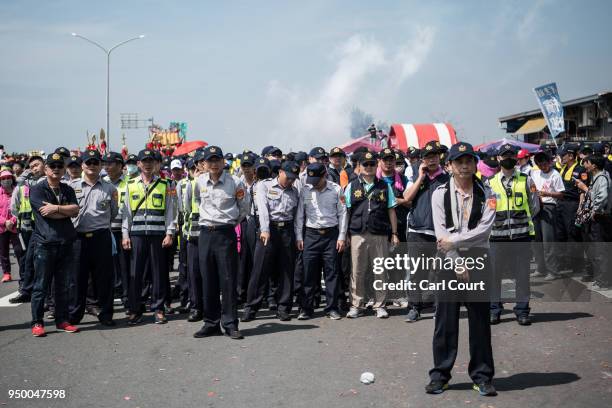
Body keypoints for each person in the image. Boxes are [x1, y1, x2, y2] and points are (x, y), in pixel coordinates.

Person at [427, 142, 496, 396]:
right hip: (448, 261)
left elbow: (483, 231)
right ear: (450, 166)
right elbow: (440, 231)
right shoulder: (438, 193)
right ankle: (440, 375)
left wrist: (454, 242)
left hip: (478, 259)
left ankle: (482, 375)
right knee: (445, 322)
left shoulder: (489, 194)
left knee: (479, 321)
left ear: (476, 164)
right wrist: (456, 260)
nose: (464, 165)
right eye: (459, 161)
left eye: (469, 160)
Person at [192, 146, 250, 340]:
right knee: (208, 279)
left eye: (217, 160)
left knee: (228, 280)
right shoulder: (199, 182)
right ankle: (211, 323)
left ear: (223, 162)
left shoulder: (235, 182)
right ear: (204, 163)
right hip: (206, 234)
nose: (214, 164)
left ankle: (230, 323)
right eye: (210, 160)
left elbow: (244, 208)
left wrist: (230, 223)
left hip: (225, 234)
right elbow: (193, 203)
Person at [121, 149, 176, 325]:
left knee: (159, 272)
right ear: (138, 164)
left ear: (155, 164)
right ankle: (135, 309)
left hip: (157, 235)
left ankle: (158, 309)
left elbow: (170, 211)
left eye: (150, 161)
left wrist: (170, 233)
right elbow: (126, 213)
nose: (147, 164)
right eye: (144, 161)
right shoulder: (130, 185)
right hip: (136, 235)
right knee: (135, 273)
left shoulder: (165, 184)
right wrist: (125, 234)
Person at [29, 152, 80, 337]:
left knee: (63, 285)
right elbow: (45, 213)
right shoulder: (37, 189)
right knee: (41, 285)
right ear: (46, 169)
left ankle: (62, 320)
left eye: (60, 166)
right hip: (45, 244)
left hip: (66, 243)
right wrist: (63, 212)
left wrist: (57, 208)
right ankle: (37, 322)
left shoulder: (67, 189)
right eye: (53, 166)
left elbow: (75, 210)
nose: (57, 169)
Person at [488, 143, 539, 326]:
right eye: (504, 155)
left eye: (511, 155)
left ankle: (522, 311)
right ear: (498, 158)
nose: (508, 158)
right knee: (494, 275)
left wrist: (520, 222)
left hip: (521, 236)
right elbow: (486, 211)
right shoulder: (490, 182)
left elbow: (534, 206)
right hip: (496, 237)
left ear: (516, 158)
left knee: (522, 275)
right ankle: (494, 310)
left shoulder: (526, 180)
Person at [242, 161, 300, 322]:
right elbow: (263, 209)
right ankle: (251, 307)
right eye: (287, 177)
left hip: (287, 231)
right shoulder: (264, 186)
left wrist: (297, 236)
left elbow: (296, 215)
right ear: (280, 172)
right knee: (259, 270)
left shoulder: (294, 191)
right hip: (268, 230)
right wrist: (265, 230)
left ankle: (283, 307)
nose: (290, 181)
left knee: (287, 271)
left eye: (293, 178)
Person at [344, 152, 399, 319]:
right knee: (357, 271)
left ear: (377, 166)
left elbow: (391, 210)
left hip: (379, 234)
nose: (368, 167)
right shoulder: (352, 186)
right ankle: (356, 305)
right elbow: (346, 212)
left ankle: (380, 305)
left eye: (372, 164)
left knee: (380, 270)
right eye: (365, 164)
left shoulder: (384, 186)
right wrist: (345, 234)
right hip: (357, 234)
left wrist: (394, 233)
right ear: (359, 167)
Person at [67, 150, 118, 326]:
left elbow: (113, 212)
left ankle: (105, 313)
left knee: (104, 278)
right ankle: (74, 314)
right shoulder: (71, 186)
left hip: (101, 236)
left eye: (95, 162)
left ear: (100, 165)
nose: (92, 166)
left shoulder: (109, 188)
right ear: (82, 165)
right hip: (78, 238)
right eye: (88, 162)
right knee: (77, 277)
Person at [402, 141, 450, 322]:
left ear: (439, 158)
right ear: (423, 159)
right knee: (416, 272)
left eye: (435, 156)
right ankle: (415, 307)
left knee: (440, 273)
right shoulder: (415, 175)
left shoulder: (447, 178)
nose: (432, 160)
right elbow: (407, 198)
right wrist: (420, 178)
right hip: (417, 231)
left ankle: (439, 308)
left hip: (439, 234)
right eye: (428, 157)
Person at [295, 162, 348, 320]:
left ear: (324, 175)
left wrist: (342, 237)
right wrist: (299, 236)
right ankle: (306, 308)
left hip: (331, 235)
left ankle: (331, 308)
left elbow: (343, 213)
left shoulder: (336, 189)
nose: (313, 184)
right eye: (311, 180)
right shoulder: (305, 190)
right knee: (308, 273)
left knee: (332, 273)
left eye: (317, 180)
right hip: (311, 235)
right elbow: (300, 214)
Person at [8, 155, 45, 303]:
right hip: (26, 228)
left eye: (37, 164)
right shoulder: (22, 185)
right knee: (27, 260)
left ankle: (46, 296)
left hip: (43, 227)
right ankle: (26, 290)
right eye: (31, 166)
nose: (35, 168)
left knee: (43, 261)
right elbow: (14, 207)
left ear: (44, 165)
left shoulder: (50, 181)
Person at [574, 155, 611, 289]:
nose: (585, 165)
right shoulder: (598, 177)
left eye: (587, 163)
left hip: (601, 218)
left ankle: (604, 282)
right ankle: (601, 279)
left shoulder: (601, 178)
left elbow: (602, 196)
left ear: (594, 165)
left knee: (601, 250)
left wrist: (595, 209)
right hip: (599, 218)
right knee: (598, 250)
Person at [530, 151, 565, 280]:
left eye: (544, 164)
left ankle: (553, 270)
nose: (542, 167)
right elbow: (532, 187)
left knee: (548, 240)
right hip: (536, 207)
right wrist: (535, 193)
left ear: (549, 162)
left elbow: (561, 194)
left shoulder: (555, 174)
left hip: (549, 207)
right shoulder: (534, 173)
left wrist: (547, 194)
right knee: (536, 240)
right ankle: (541, 268)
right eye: (539, 165)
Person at [103, 151, 130, 308]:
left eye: (110, 163)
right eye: (105, 163)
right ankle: (110, 296)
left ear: (120, 165)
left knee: (124, 266)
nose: (106, 166)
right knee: (108, 267)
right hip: (106, 231)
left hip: (124, 230)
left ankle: (127, 298)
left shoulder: (130, 182)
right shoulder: (102, 182)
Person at [0, 170, 23, 283]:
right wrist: (5, 222)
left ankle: (24, 274)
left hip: (15, 226)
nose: (6, 180)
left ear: (12, 178)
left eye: (8, 177)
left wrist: (12, 221)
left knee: (19, 251)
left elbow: (21, 207)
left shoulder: (17, 190)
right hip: (2, 227)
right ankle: (6, 273)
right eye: (3, 178)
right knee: (3, 252)